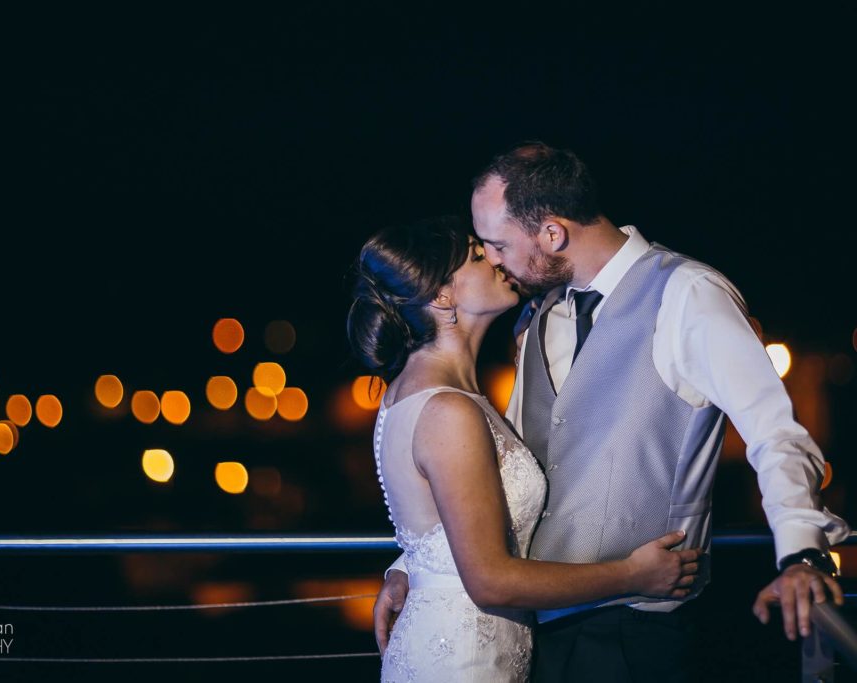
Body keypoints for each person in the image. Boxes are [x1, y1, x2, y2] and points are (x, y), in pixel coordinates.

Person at [373, 143, 850, 682]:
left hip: (637, 634)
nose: (494, 261)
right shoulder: (535, 314)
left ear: (551, 233)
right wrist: (417, 566)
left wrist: (800, 556)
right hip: (532, 631)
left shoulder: (688, 294)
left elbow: (776, 434)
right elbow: (497, 473)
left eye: (496, 245)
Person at [348, 216, 701, 683]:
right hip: (464, 663)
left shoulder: (422, 391)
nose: (495, 257)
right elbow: (490, 579)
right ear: (442, 297)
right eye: (477, 256)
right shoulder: (447, 410)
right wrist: (634, 575)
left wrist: (408, 568)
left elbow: (434, 531)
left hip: (470, 649)